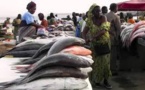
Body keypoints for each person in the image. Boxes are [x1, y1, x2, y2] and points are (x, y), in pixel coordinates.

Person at [82, 4, 112, 89]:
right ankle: (97, 81)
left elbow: (103, 30)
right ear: (92, 12)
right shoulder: (89, 21)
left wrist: (93, 38)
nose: (99, 12)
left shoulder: (103, 18)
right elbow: (84, 32)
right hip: (94, 46)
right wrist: (85, 40)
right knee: (96, 64)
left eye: (100, 10)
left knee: (106, 64)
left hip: (104, 44)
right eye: (97, 11)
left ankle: (106, 81)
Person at [106, 3, 121, 75]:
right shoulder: (115, 16)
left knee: (106, 54)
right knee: (113, 54)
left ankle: (106, 69)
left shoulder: (105, 15)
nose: (117, 9)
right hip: (113, 37)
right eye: (117, 7)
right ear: (115, 8)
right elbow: (119, 28)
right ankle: (113, 70)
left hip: (105, 37)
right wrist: (118, 37)